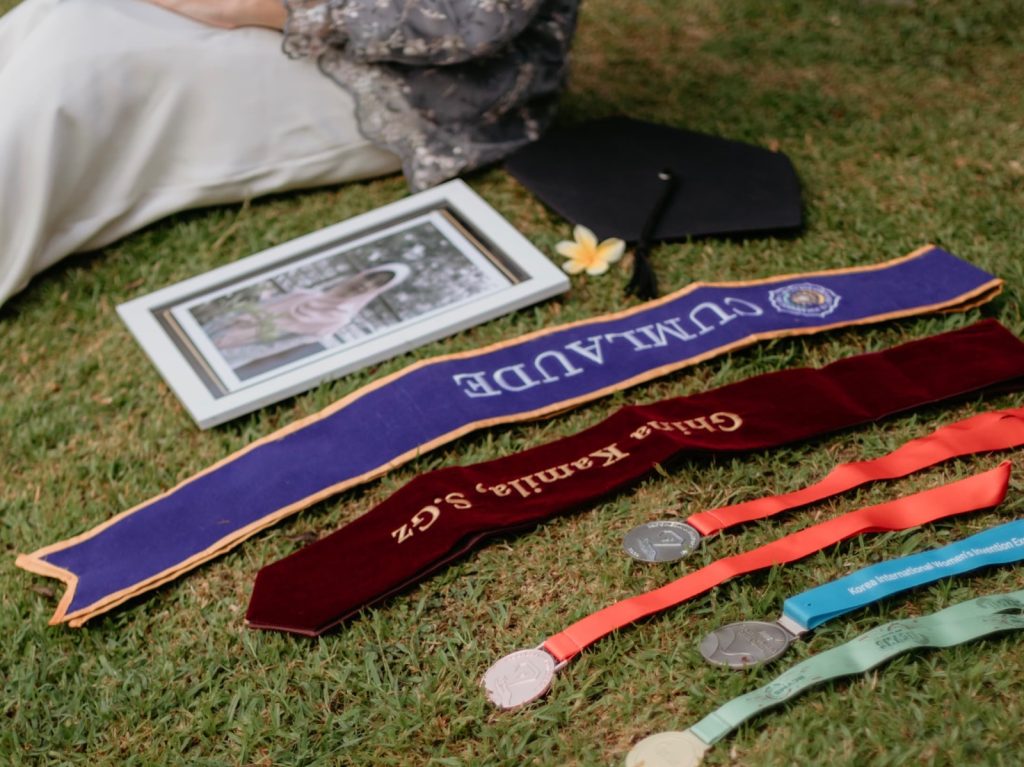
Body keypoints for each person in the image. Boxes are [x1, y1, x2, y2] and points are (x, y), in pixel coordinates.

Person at [0, 0, 579, 307]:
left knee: (83, 70)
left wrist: (265, 9)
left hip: (426, 83)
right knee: (55, 17)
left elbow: (475, 20)